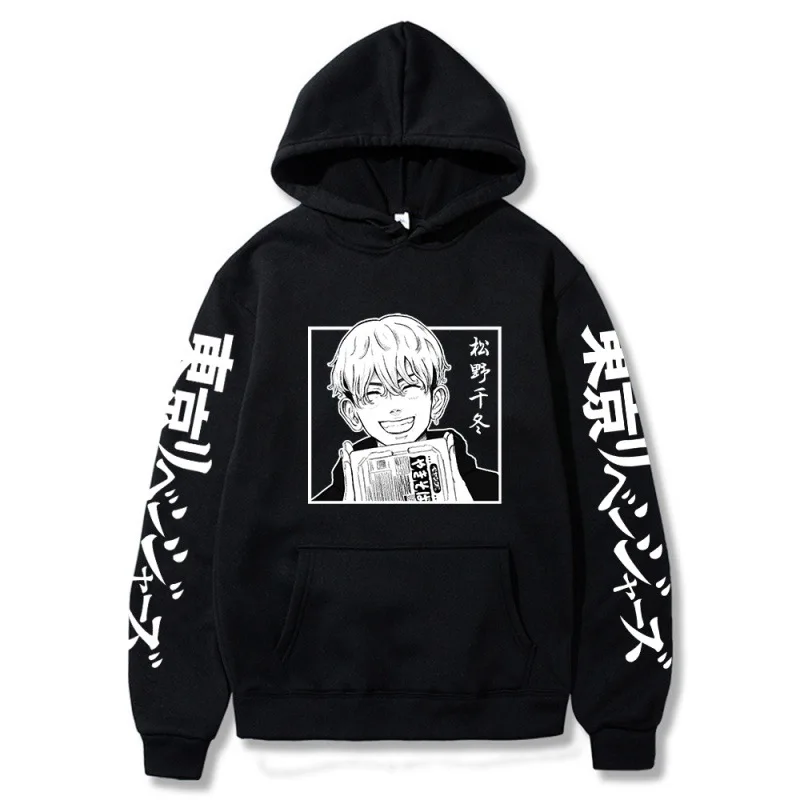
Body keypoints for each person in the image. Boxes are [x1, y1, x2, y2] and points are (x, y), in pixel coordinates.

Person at [312, 313, 499, 501]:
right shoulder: (329, 502)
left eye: (408, 387)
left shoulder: (494, 490)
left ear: (437, 400)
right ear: (351, 412)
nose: (394, 407)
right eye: (373, 393)